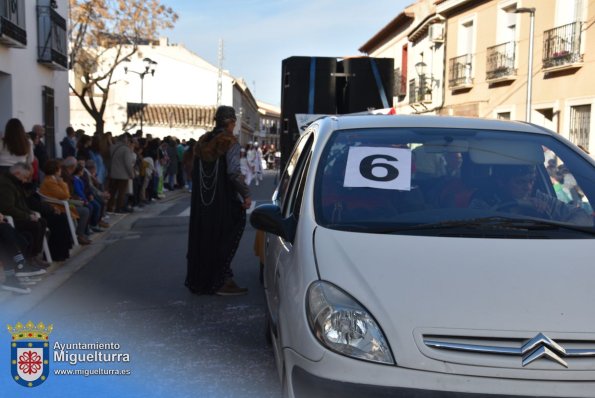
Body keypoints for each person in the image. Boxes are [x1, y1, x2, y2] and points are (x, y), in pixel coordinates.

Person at [186, 105, 252, 296]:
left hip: (202, 203)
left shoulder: (202, 142)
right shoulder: (229, 142)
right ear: (230, 122)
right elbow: (233, 172)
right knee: (229, 231)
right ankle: (221, 280)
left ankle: (203, 279)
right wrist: (245, 194)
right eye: (234, 122)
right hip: (222, 201)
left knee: (204, 238)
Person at [469, 164, 592, 225]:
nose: (528, 187)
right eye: (520, 182)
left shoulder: (540, 198)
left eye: (531, 181)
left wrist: (565, 231)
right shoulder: (483, 201)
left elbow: (581, 215)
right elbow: (476, 228)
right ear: (502, 182)